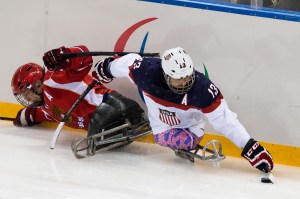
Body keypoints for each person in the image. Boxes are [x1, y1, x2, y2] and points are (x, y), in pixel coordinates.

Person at [92, 47, 273, 173]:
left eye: (187, 77)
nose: (184, 83)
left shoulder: (202, 90)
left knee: (188, 142)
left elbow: (226, 121)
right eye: (178, 79)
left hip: (192, 128)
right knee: (161, 138)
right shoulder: (146, 73)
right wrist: (107, 68)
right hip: (161, 126)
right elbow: (129, 62)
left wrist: (251, 148)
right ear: (165, 74)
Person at [11, 45, 144, 144]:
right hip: (102, 123)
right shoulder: (46, 105)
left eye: (27, 94)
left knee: (95, 138)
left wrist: (67, 56)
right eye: (24, 96)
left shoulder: (53, 79)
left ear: (37, 85)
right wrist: (28, 115)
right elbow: (48, 114)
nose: (27, 99)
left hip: (113, 108)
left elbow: (85, 60)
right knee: (95, 135)